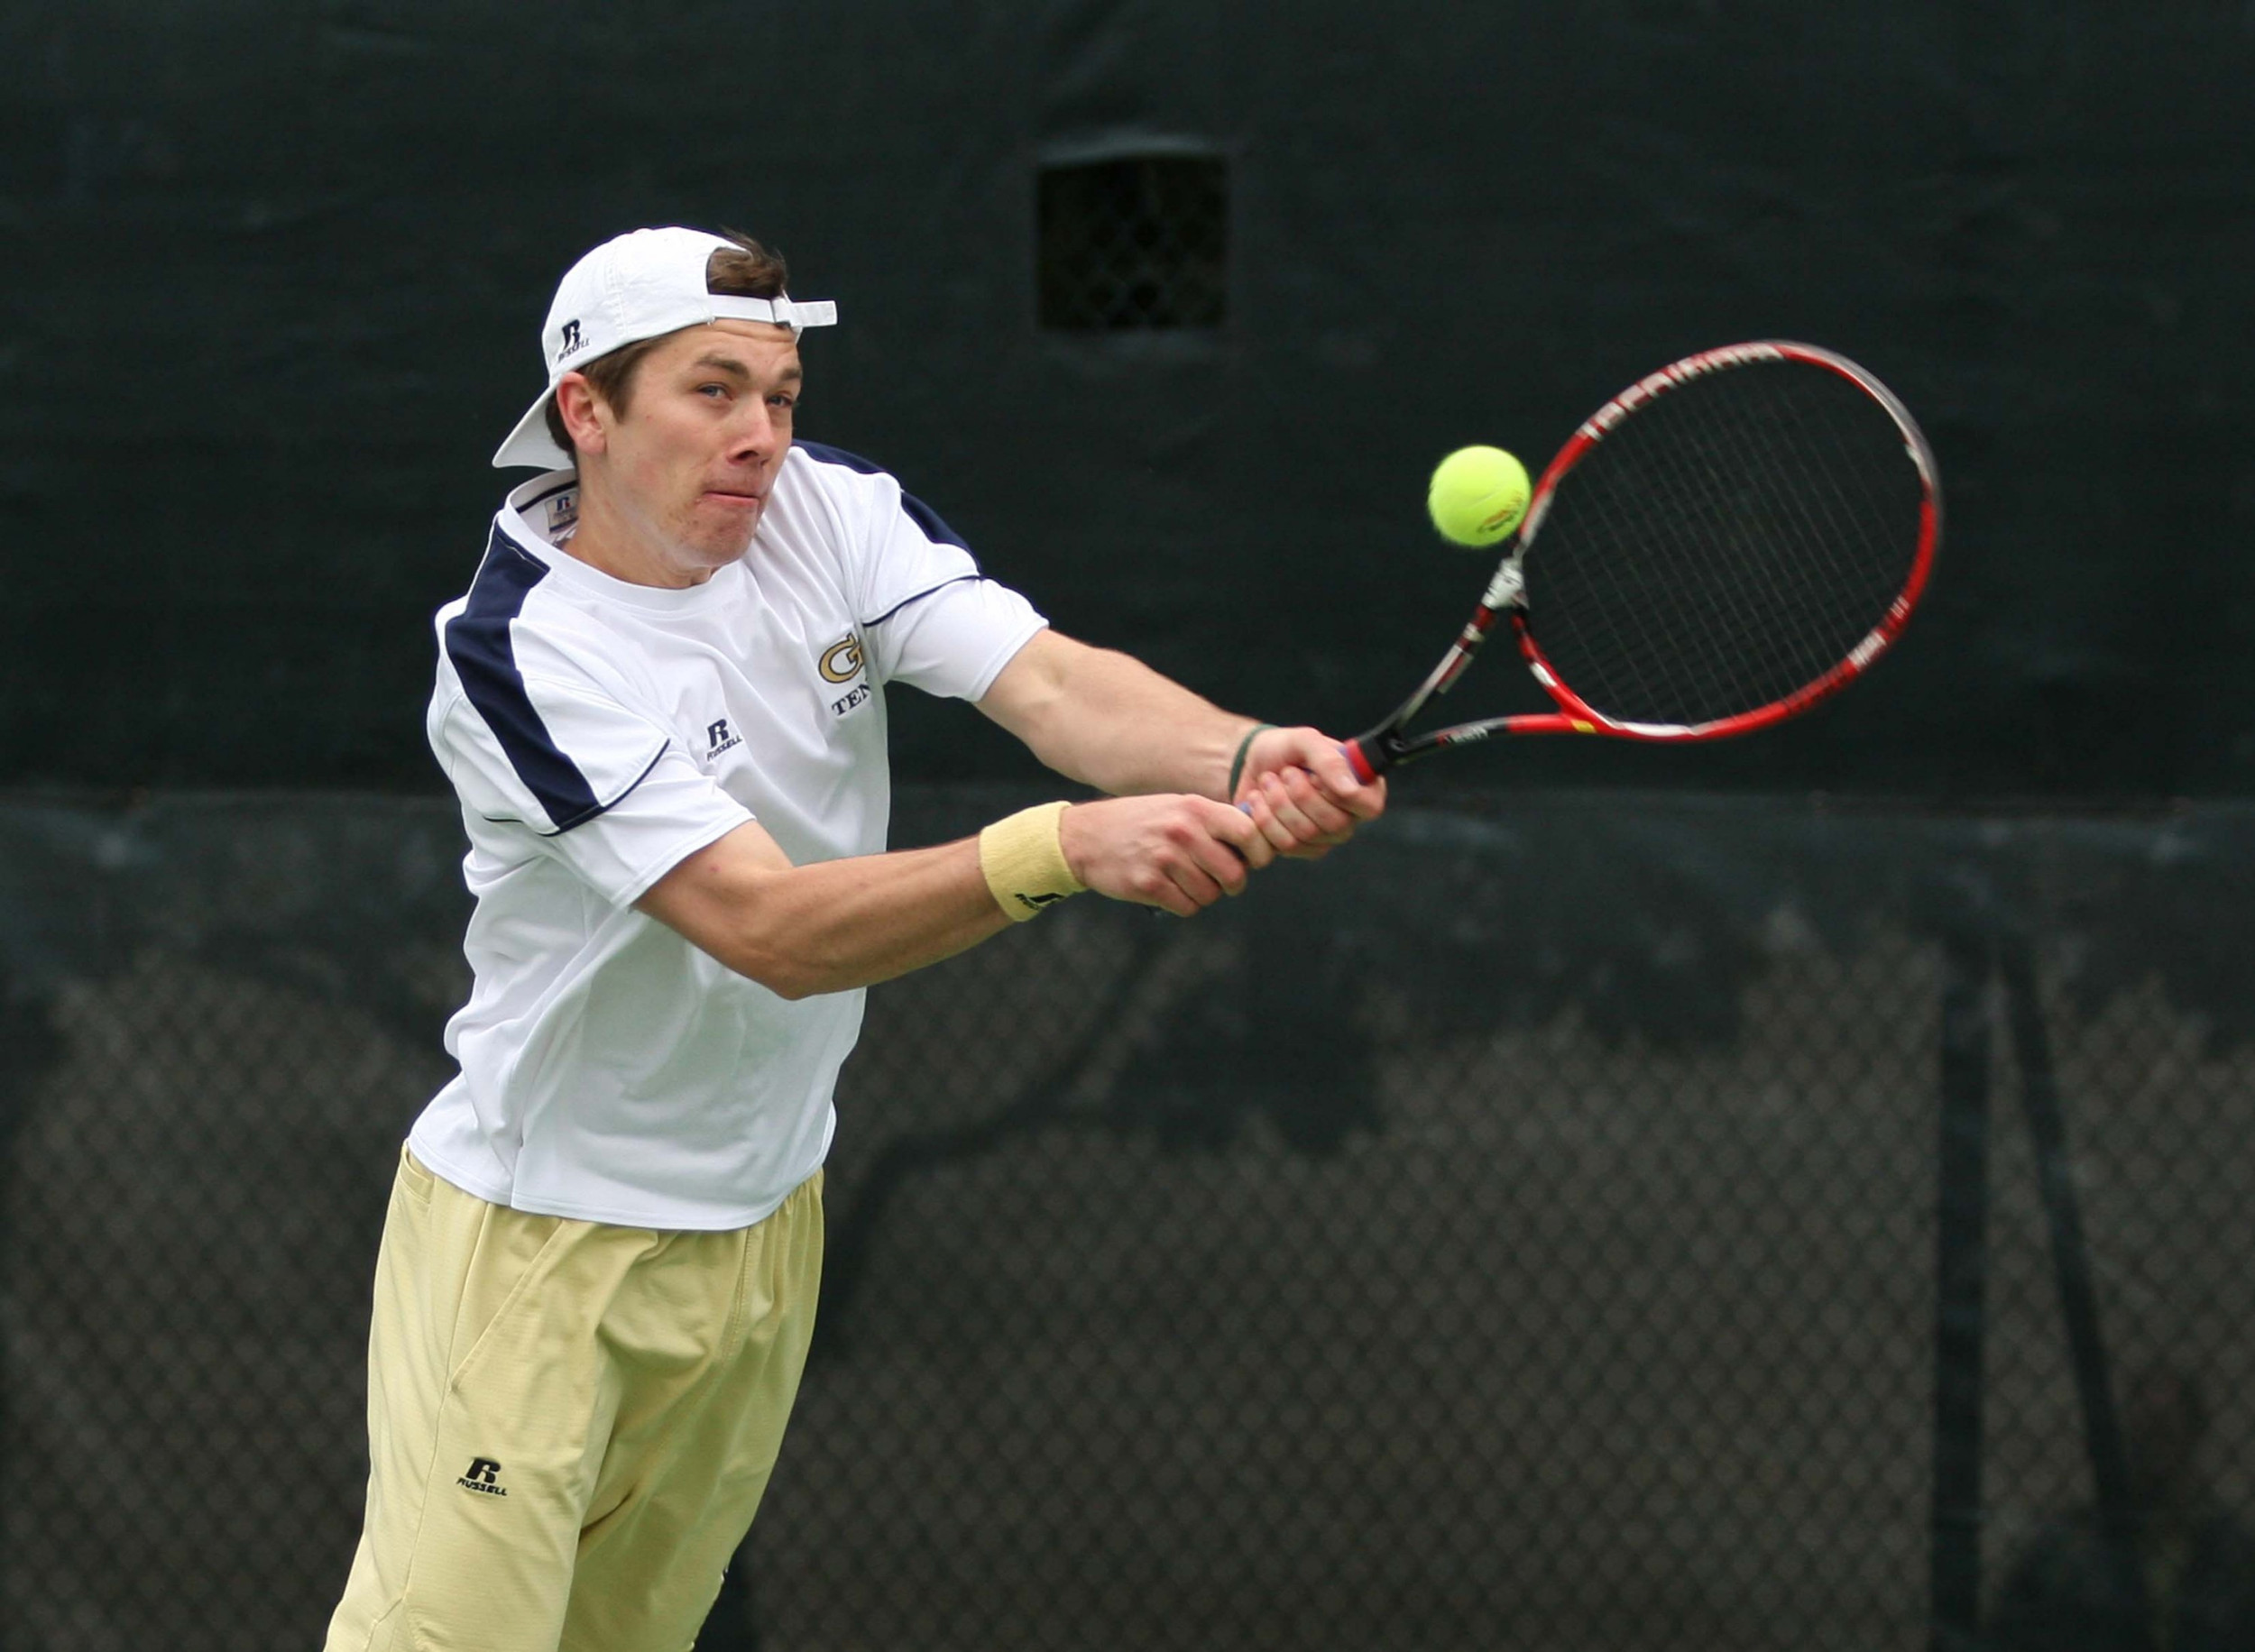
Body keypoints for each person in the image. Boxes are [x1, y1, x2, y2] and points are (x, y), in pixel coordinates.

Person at [321, 225, 1385, 1652]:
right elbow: (762, 926)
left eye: (782, 393)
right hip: (541, 1249)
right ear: (587, 410)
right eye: (713, 391)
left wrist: (1245, 754)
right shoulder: (521, 648)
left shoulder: (830, 513)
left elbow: (1055, 685)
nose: (760, 434)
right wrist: (1061, 846)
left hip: (764, 1227)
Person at [1991, 1365, 2255, 1652]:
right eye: (2146, 1435)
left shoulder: (2232, 1557)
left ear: (2192, 1436)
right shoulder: (2066, 1550)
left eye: (2165, 1433)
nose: (2156, 1452)